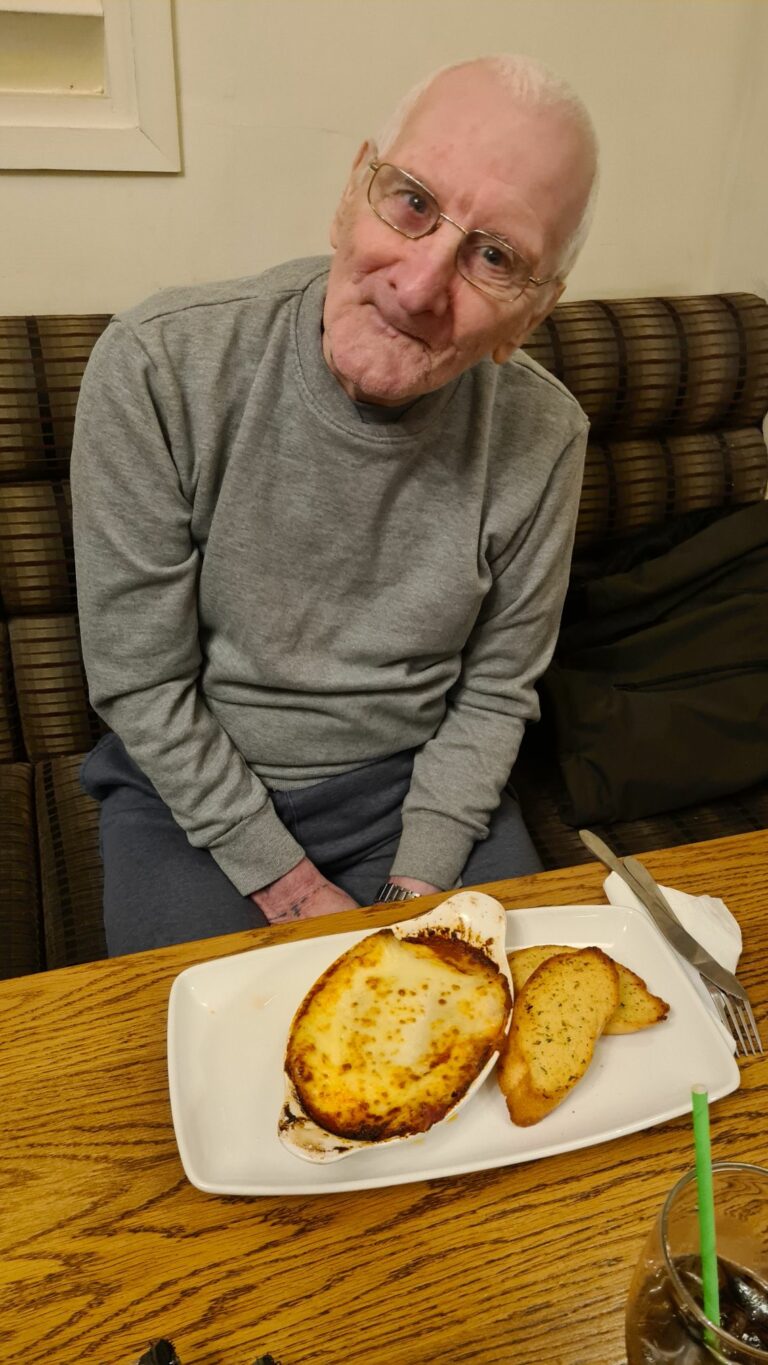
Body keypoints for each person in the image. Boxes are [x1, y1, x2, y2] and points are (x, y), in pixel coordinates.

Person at [71, 54, 599, 954]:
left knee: (502, 1021)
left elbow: (494, 694)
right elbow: (142, 681)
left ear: (532, 315)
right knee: (220, 1039)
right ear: (353, 192)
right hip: (185, 795)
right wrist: (292, 888)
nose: (421, 286)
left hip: (417, 790)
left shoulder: (547, 436)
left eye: (495, 256)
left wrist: (414, 890)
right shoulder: (157, 365)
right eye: (413, 202)